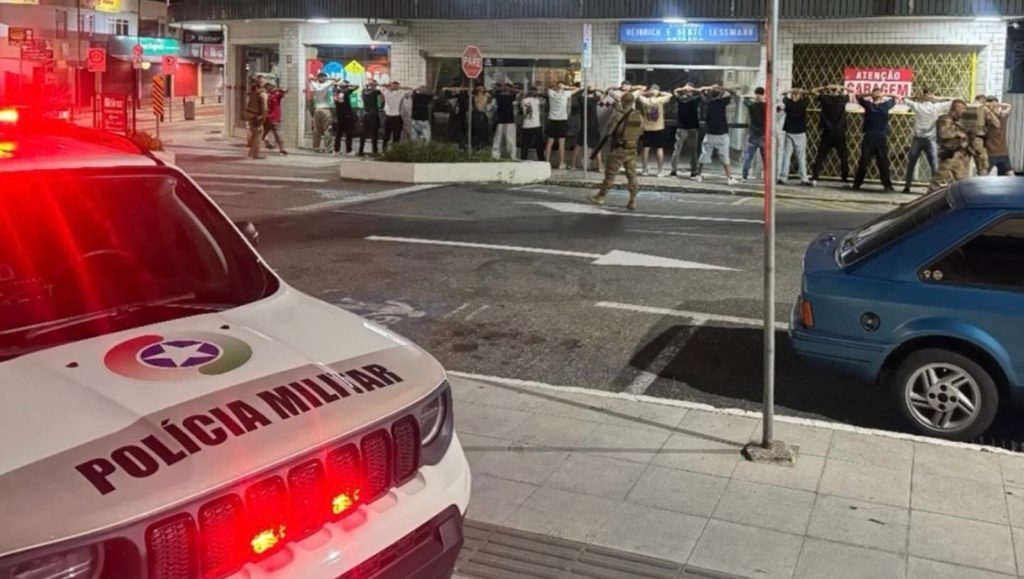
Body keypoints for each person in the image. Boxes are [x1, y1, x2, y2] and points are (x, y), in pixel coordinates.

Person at [588, 92, 644, 210]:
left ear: (622, 101)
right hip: (632, 150)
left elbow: (609, 131)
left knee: (610, 175)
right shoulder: (639, 116)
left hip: (618, 149)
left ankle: (601, 196)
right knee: (632, 176)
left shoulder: (618, 115)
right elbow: (641, 132)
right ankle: (633, 200)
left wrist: (616, 114)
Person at [902, 90, 952, 192]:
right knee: (933, 164)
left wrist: (915, 97)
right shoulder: (936, 107)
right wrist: (937, 98)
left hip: (918, 139)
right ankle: (935, 187)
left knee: (911, 163)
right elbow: (954, 101)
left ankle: (907, 186)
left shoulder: (917, 106)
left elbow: (903, 98)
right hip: (930, 140)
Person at [852, 87, 898, 191]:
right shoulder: (869, 105)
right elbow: (858, 96)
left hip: (881, 137)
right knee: (864, 161)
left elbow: (896, 97)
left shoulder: (885, 105)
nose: (876, 94)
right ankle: (857, 184)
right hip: (869, 136)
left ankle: (887, 185)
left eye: (878, 93)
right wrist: (870, 94)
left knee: (883, 162)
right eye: (875, 93)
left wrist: (884, 94)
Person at [694, 85, 737, 184]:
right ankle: (729, 178)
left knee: (704, 155)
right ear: (720, 94)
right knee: (725, 156)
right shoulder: (722, 101)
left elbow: (700, 92)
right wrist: (722, 87)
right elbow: (733, 92)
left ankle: (699, 174)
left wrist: (708, 88)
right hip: (722, 133)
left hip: (710, 133)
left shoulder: (707, 102)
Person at [810, 85, 854, 184]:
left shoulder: (826, 98)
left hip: (827, 131)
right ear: (839, 92)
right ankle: (844, 178)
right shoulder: (842, 99)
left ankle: (815, 177)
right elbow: (853, 91)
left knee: (821, 156)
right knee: (843, 156)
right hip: (839, 132)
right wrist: (841, 87)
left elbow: (812, 90)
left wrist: (825, 87)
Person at [929, 99, 972, 192]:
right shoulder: (946, 119)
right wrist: (958, 134)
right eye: (962, 109)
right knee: (939, 179)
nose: (963, 112)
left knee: (962, 180)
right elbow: (943, 134)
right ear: (956, 109)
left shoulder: (954, 121)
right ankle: (929, 197)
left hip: (957, 153)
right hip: (949, 153)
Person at [778, 88, 812, 186]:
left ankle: (783, 177)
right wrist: (800, 91)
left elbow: (783, 93)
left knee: (786, 156)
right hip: (800, 132)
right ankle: (804, 178)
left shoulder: (788, 103)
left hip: (790, 132)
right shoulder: (803, 103)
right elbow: (810, 93)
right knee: (801, 157)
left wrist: (790, 91)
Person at [637, 85, 673, 176]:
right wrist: (659, 93)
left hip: (647, 128)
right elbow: (670, 95)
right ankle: (660, 171)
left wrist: (647, 93)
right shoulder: (660, 100)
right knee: (659, 148)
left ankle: (644, 170)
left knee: (645, 148)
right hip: (658, 128)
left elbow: (637, 94)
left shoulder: (645, 100)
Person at [544, 81, 581, 170]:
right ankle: (561, 163)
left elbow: (547, 87)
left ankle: (546, 162)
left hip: (552, 119)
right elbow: (577, 89)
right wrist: (566, 87)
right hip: (562, 120)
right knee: (561, 143)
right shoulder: (565, 93)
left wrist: (557, 87)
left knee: (550, 142)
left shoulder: (551, 93)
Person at [961, 98, 1000, 175]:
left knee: (962, 167)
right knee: (982, 166)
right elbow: (997, 124)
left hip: (963, 140)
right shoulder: (983, 109)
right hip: (978, 140)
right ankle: (982, 181)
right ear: (984, 101)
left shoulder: (964, 107)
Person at [671, 83, 702, 178]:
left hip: (688, 128)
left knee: (686, 150)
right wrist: (691, 89)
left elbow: (675, 91)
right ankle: (692, 171)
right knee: (684, 150)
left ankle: (676, 170)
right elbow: (675, 91)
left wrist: (685, 88)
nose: (688, 91)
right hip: (687, 127)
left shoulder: (683, 99)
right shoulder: (687, 99)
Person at [571, 86, 604, 171]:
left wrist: (584, 89)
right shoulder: (594, 100)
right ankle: (600, 166)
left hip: (583, 125)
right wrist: (597, 89)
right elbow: (604, 93)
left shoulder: (581, 100)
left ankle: (573, 165)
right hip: (593, 126)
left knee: (578, 145)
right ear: (594, 93)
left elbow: (578, 94)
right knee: (596, 147)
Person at [740, 87, 766, 181]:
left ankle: (744, 176)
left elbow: (743, 98)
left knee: (748, 157)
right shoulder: (766, 106)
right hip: (764, 135)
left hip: (752, 135)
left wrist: (752, 96)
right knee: (766, 159)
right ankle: (767, 176)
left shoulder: (751, 105)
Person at [984, 96, 1014, 176]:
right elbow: (1009, 106)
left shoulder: (987, 118)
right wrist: (998, 104)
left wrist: (989, 105)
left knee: (983, 175)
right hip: (1002, 152)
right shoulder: (1003, 115)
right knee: (1009, 174)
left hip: (991, 152)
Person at [308, 73, 337, 153]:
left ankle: (316, 147)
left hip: (317, 109)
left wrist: (314, 79)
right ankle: (328, 148)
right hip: (325, 110)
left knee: (316, 130)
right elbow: (336, 80)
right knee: (327, 130)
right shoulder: (326, 84)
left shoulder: (314, 84)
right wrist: (330, 79)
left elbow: (310, 79)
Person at [491, 83, 520, 159]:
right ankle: (497, 155)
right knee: (500, 139)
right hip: (502, 121)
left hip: (508, 121)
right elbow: (494, 91)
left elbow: (518, 92)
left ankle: (511, 155)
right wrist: (504, 88)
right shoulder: (499, 97)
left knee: (508, 140)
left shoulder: (510, 97)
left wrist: (509, 89)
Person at [244, 75, 268, 160]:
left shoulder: (253, 92)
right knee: (258, 134)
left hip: (250, 115)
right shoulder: (262, 93)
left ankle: (251, 152)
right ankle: (255, 153)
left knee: (255, 134)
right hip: (257, 116)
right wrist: (264, 116)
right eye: (263, 81)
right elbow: (264, 107)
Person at [381, 81, 410, 150]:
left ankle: (394, 151)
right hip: (389, 116)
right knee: (387, 135)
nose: (394, 87)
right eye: (393, 86)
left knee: (396, 136)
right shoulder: (387, 92)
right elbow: (381, 87)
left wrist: (396, 88)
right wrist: (393, 87)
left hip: (396, 116)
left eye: (396, 86)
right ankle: (385, 150)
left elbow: (410, 89)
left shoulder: (399, 93)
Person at [333, 80, 359, 155]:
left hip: (339, 116)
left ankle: (336, 150)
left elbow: (335, 87)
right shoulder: (346, 92)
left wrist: (340, 85)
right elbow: (357, 86)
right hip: (347, 116)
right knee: (348, 134)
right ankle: (348, 150)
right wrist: (349, 85)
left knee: (339, 134)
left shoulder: (336, 92)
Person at [519, 85, 545, 161]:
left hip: (526, 125)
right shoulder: (536, 100)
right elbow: (544, 100)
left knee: (525, 144)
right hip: (535, 125)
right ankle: (541, 159)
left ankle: (523, 158)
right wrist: (539, 94)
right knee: (539, 144)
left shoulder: (523, 101)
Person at [262, 82, 288, 156]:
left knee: (275, 134)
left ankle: (281, 149)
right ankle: (281, 149)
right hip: (269, 118)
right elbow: (284, 92)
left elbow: (284, 91)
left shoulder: (274, 95)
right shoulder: (268, 96)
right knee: (266, 133)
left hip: (272, 119)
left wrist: (277, 89)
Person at [359, 79, 383, 156]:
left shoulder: (366, 91)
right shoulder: (373, 92)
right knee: (372, 134)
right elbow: (380, 94)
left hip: (369, 115)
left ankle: (362, 151)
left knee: (368, 134)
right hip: (372, 115)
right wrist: (376, 85)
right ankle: (372, 151)